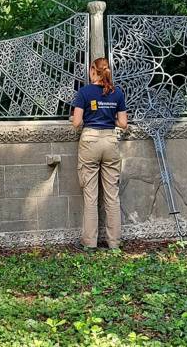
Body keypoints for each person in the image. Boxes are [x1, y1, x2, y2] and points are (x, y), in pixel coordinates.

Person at [72, 57, 128, 250]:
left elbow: (77, 123)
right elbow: (123, 124)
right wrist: (109, 115)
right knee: (112, 195)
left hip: (90, 141)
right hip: (110, 141)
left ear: (92, 70)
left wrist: (81, 116)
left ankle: (89, 243)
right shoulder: (117, 93)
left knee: (91, 195)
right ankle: (114, 244)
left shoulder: (84, 93)